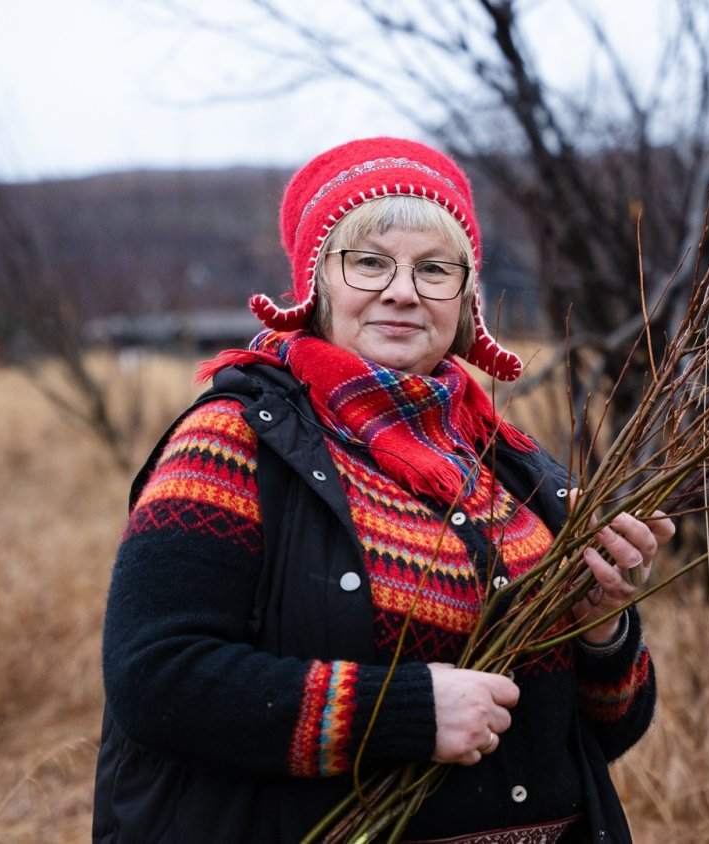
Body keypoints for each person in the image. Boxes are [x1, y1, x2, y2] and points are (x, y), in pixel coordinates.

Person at [93, 137, 674, 843]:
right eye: (369, 262)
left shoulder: (511, 465)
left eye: (434, 269)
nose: (403, 291)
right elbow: (156, 679)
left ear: (465, 299)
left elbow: (595, 737)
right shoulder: (234, 442)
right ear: (317, 285)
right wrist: (402, 714)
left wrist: (603, 627)